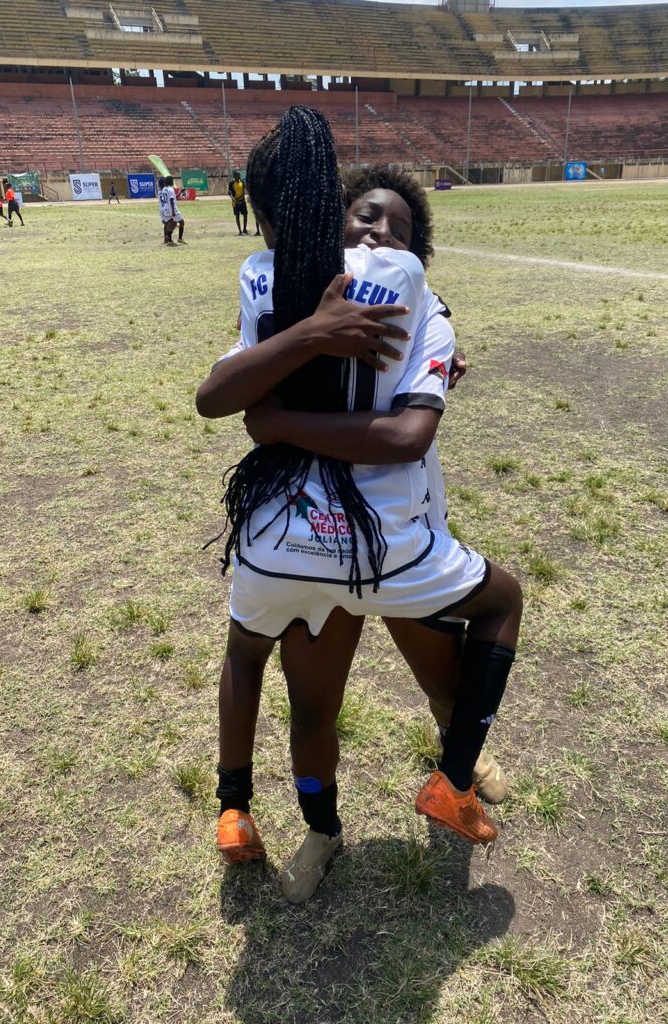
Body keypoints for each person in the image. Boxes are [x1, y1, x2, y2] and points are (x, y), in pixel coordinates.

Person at [197, 107, 522, 903]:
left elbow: (407, 426)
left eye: (399, 228)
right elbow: (222, 388)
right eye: (365, 215)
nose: (379, 230)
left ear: (417, 255)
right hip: (341, 536)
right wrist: (309, 339)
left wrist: (280, 422)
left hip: (391, 520)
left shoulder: (423, 309)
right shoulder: (292, 292)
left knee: (441, 674)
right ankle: (334, 826)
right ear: (332, 223)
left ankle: (460, 755)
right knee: (318, 703)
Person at [166, 176, 186, 244]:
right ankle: (180, 238)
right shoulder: (170, 189)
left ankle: (169, 239)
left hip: (166, 209)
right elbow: (172, 199)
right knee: (182, 222)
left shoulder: (165, 189)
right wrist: (173, 211)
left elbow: (174, 197)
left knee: (172, 223)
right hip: (173, 208)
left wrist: (180, 192)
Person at [228, 169, 249, 235]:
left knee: (245, 215)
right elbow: (229, 193)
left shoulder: (242, 182)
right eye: (237, 175)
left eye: (239, 175)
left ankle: (244, 229)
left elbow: (244, 190)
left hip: (242, 202)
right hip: (236, 203)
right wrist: (233, 198)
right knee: (237, 216)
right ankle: (240, 231)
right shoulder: (231, 183)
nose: (238, 176)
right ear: (234, 176)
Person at [158, 176, 176, 245]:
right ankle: (168, 238)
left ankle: (165, 238)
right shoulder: (166, 190)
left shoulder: (160, 191)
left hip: (161, 208)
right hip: (166, 208)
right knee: (171, 223)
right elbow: (170, 199)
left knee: (166, 224)